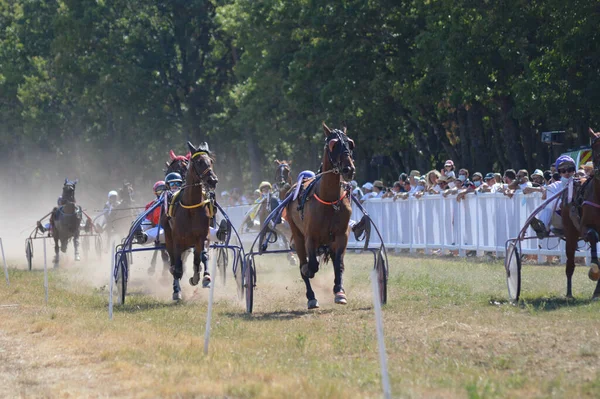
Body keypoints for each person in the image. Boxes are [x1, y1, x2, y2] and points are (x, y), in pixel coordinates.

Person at [529, 155, 577, 238]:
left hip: (578, 216)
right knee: (548, 207)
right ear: (559, 172)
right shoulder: (553, 187)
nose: (567, 173)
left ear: (574, 170)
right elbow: (551, 204)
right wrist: (564, 203)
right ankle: (542, 227)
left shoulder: (581, 184)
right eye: (563, 170)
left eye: (570, 169)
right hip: (561, 218)